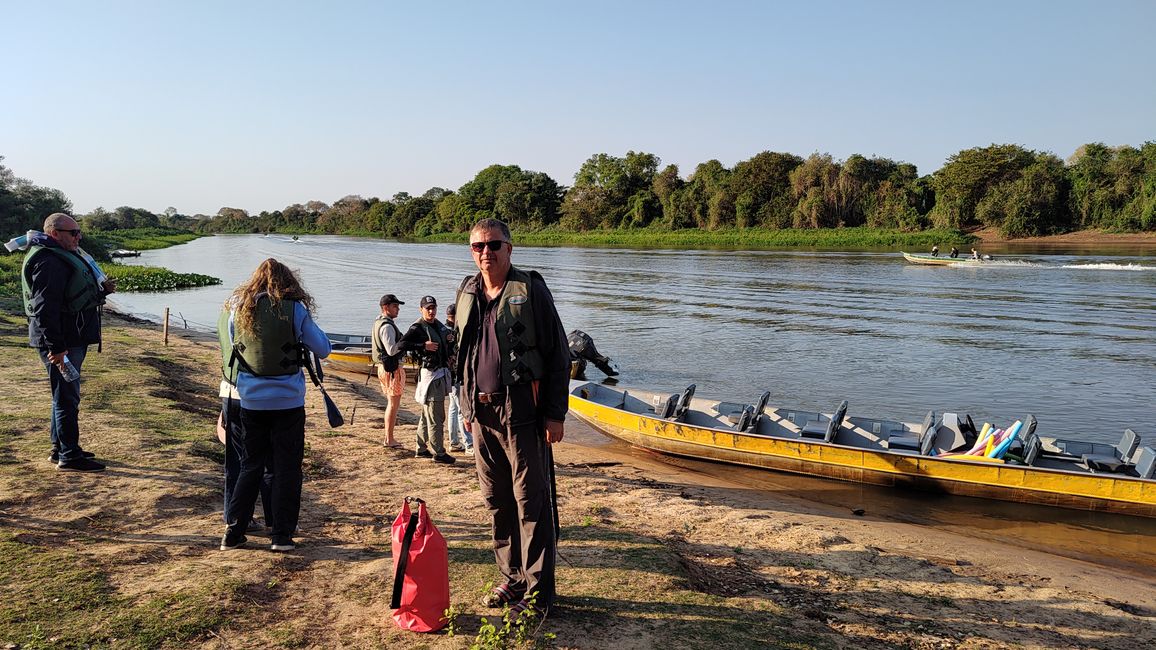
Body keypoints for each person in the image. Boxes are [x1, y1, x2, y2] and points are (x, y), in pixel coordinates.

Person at [452, 218, 570, 616]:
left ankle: (538, 595)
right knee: (497, 501)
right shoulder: (468, 290)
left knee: (530, 502)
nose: (486, 253)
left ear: (510, 248)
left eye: (493, 245)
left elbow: (559, 355)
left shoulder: (531, 289)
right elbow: (464, 356)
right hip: (481, 413)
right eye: (477, 246)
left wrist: (555, 414)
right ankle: (513, 579)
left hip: (521, 413)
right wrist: (466, 407)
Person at [218, 258, 331, 552]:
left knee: (250, 465)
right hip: (288, 401)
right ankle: (281, 535)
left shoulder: (239, 309)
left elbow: (234, 347)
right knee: (287, 468)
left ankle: (233, 532)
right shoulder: (295, 309)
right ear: (288, 281)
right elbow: (324, 349)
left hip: (251, 401)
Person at [22, 213, 115, 472]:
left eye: (79, 232)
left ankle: (59, 448)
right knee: (66, 398)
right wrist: (56, 348)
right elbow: (44, 309)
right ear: (54, 233)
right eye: (73, 232)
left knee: (61, 395)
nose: (78, 237)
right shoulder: (49, 262)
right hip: (61, 342)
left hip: (68, 339)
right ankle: (70, 456)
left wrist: (102, 290)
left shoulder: (59, 256)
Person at [398, 295, 456, 464]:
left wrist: (450, 342)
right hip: (431, 376)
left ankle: (421, 448)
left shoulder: (439, 326)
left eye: (433, 308)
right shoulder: (417, 328)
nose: (431, 311)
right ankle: (439, 453)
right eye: (427, 308)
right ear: (421, 309)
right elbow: (401, 345)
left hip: (440, 374)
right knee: (436, 416)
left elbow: (448, 341)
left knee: (426, 415)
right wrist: (423, 346)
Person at [371, 293, 407, 449]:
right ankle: (389, 439)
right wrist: (406, 342)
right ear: (386, 307)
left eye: (398, 306)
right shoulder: (386, 326)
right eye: (395, 306)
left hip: (383, 368)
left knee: (391, 403)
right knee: (393, 404)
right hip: (391, 370)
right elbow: (391, 350)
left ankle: (389, 437)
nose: (398, 309)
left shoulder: (378, 322)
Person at [444, 304, 473, 455]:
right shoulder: (453, 333)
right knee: (462, 410)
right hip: (455, 375)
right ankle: (469, 444)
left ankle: (454, 441)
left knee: (453, 409)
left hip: (448, 375)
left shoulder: (442, 330)